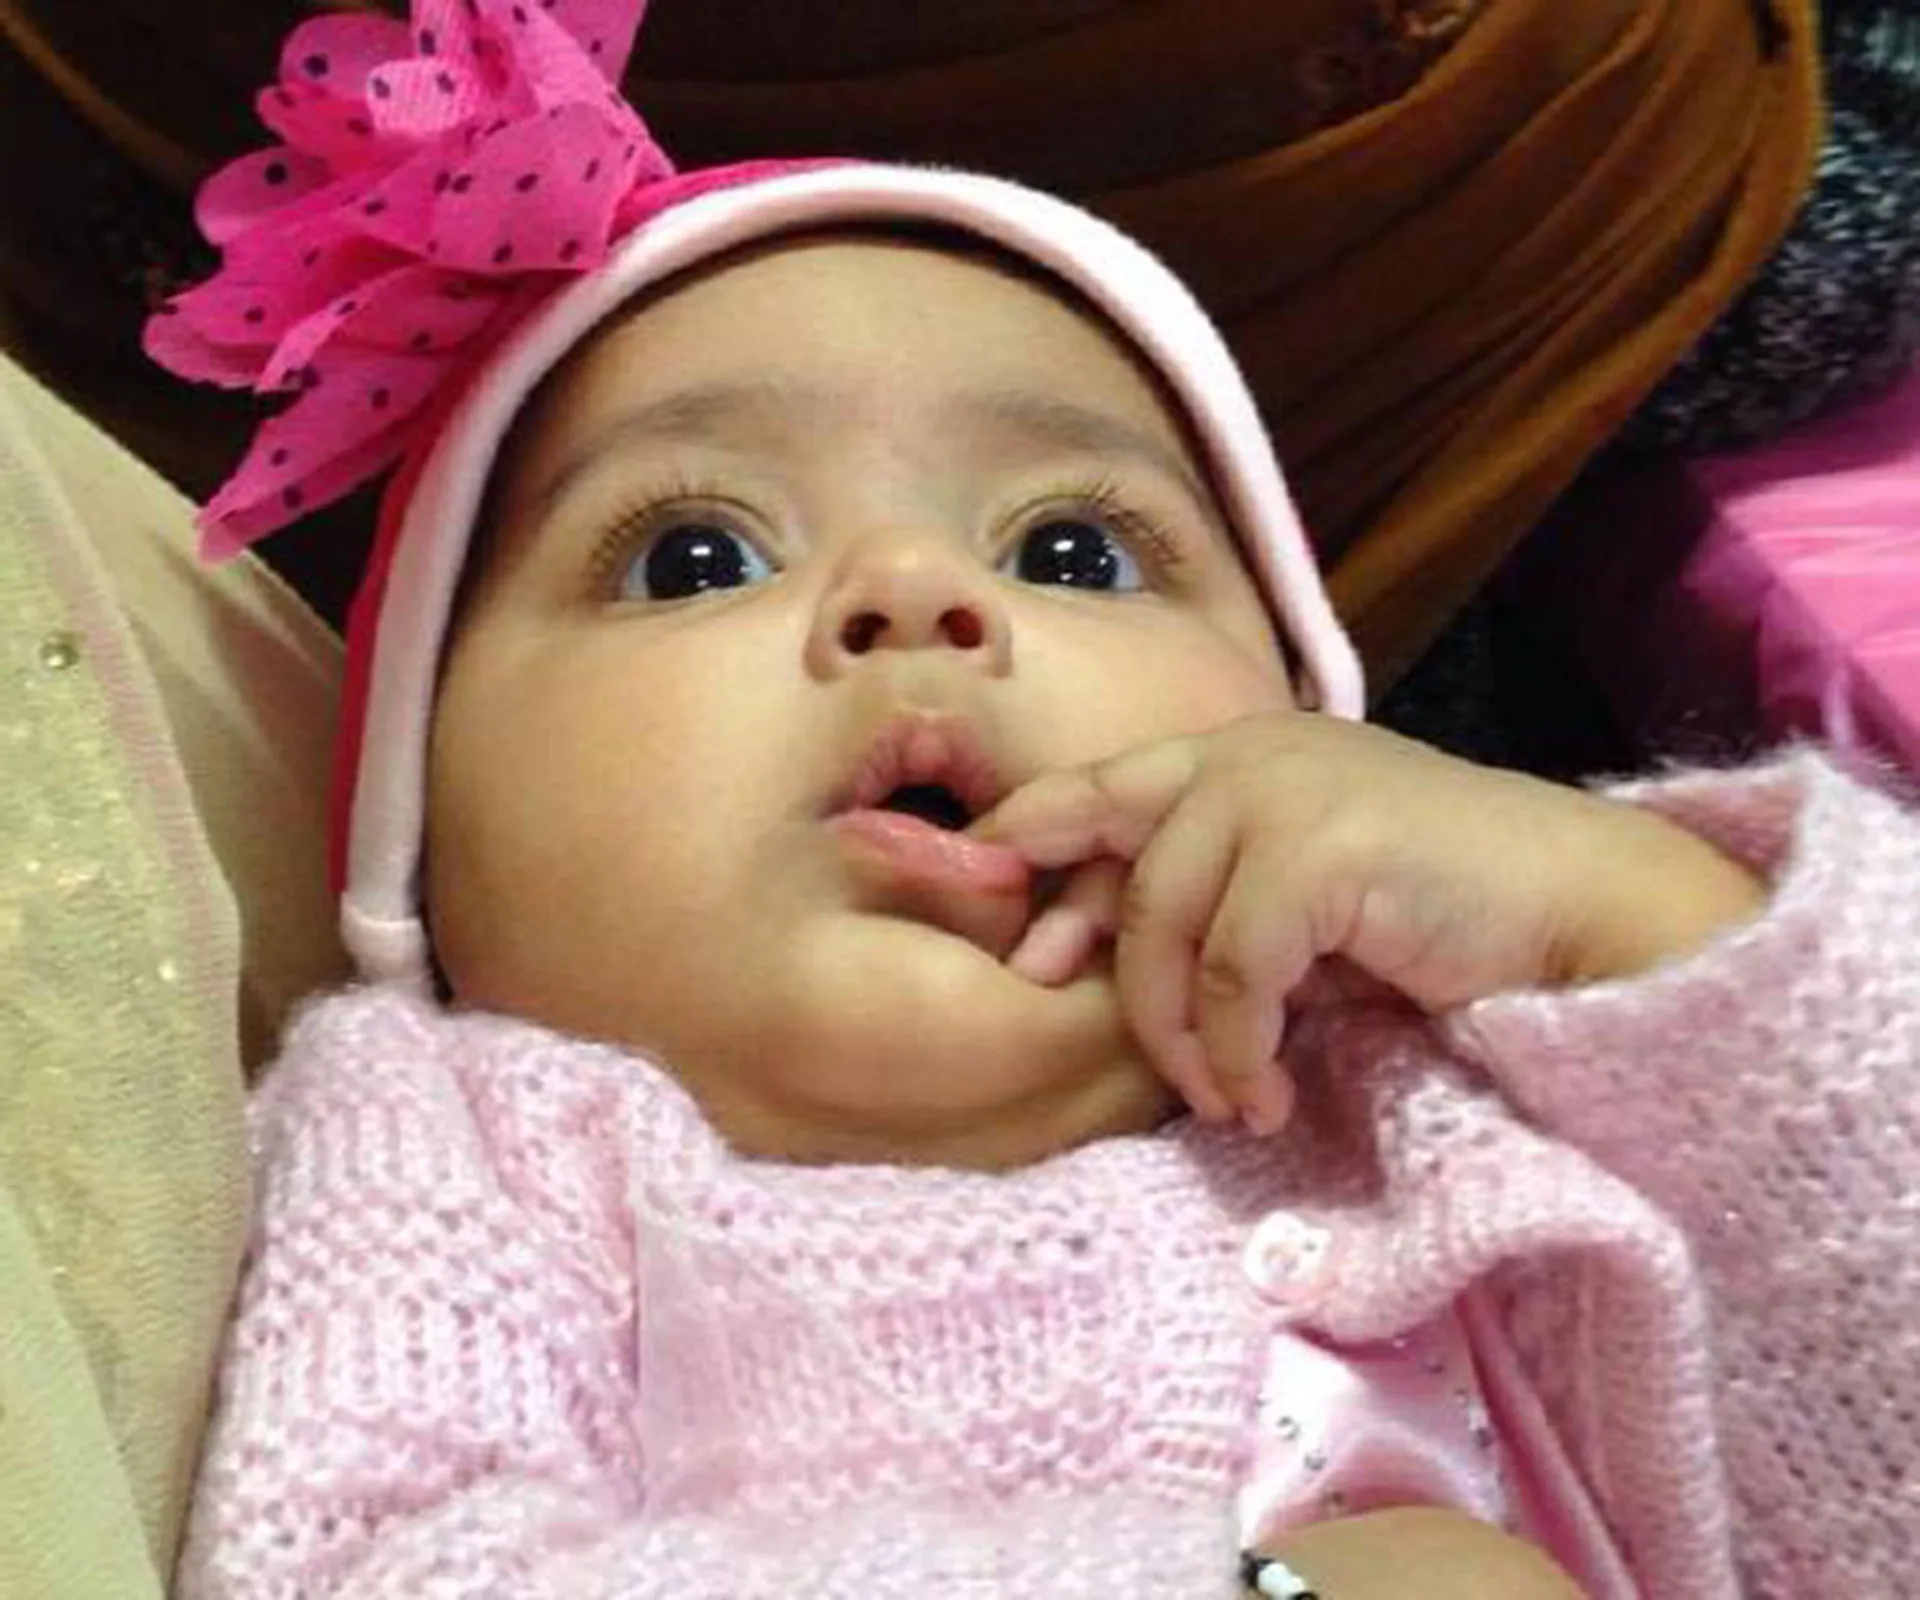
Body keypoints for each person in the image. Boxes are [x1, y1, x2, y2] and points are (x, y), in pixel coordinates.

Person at [151, 4, 1916, 1596]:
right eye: (695, 554)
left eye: (1075, 548)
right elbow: (375, 1569)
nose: (921, 588)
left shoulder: (1444, 1068)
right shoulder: (475, 1151)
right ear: (417, 839)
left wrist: (1639, 924)